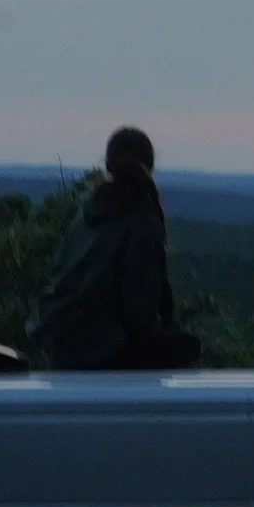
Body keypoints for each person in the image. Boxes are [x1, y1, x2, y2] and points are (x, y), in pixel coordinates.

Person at [26, 126, 202, 370]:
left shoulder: (86, 218)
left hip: (61, 344)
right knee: (188, 347)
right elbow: (140, 314)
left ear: (109, 166)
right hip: (103, 350)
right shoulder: (143, 225)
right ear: (149, 166)